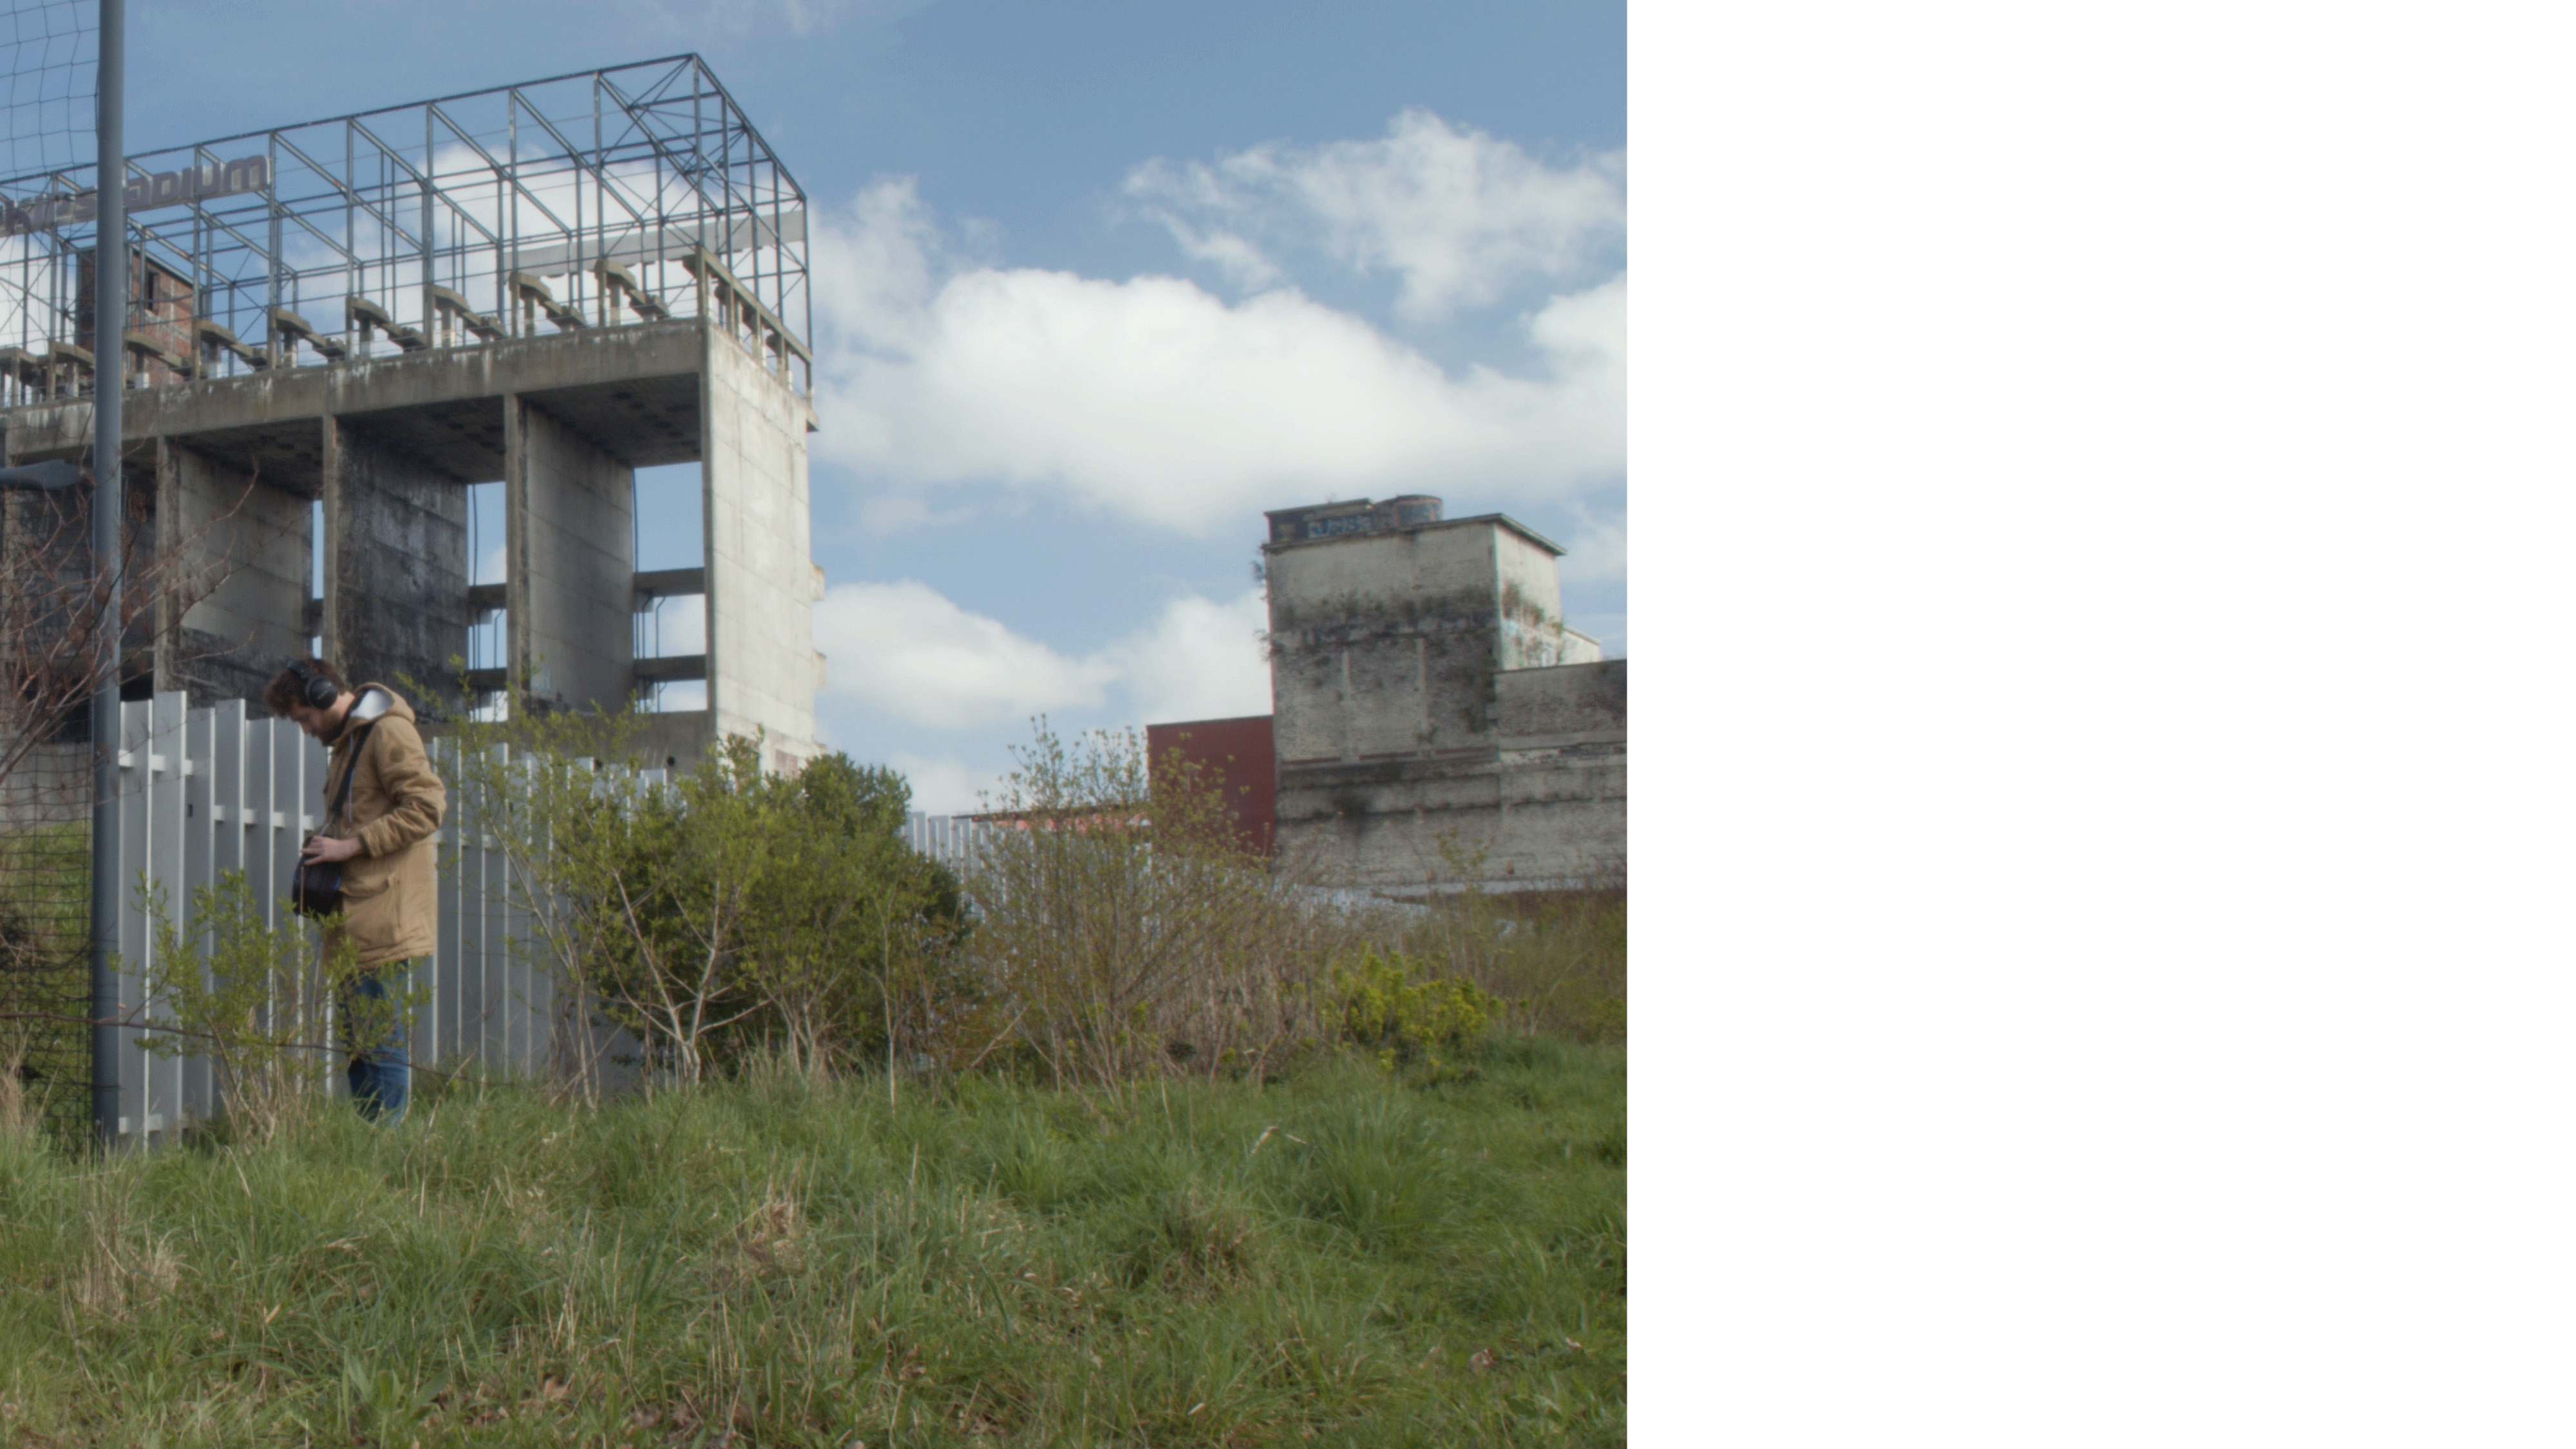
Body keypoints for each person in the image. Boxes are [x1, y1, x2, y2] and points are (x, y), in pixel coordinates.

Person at [265, 658, 446, 1123]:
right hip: (356, 920)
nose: (306, 731)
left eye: (305, 719)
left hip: (384, 918)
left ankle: (386, 1157)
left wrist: (352, 845)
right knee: (361, 1047)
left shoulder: (387, 733)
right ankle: (371, 1150)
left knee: (380, 1046)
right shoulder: (351, 741)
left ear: (326, 695)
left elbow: (428, 807)